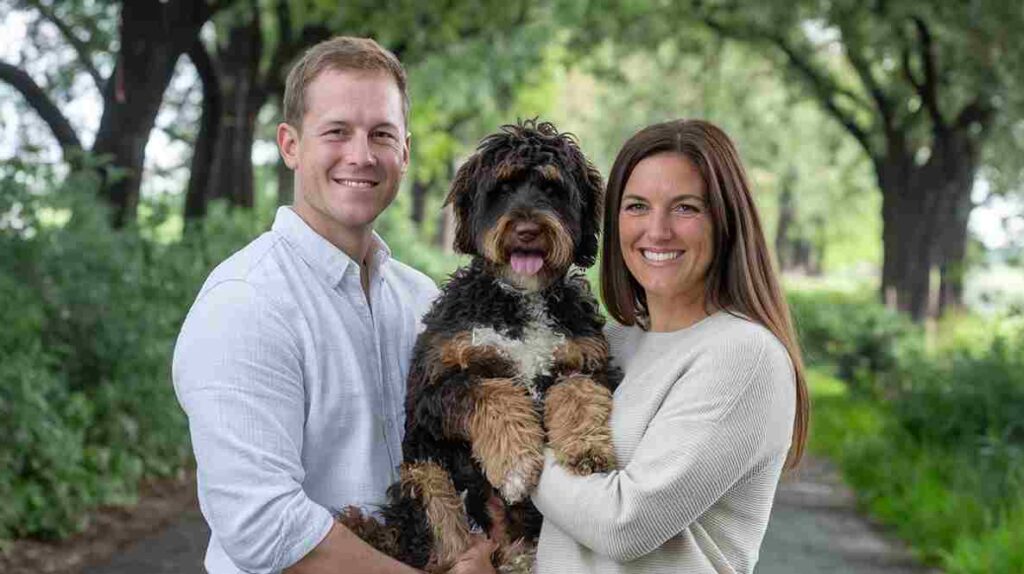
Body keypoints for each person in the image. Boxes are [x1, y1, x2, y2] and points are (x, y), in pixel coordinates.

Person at [172, 37, 495, 574]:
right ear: (290, 144)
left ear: (406, 152)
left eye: (381, 134)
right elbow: (263, 524)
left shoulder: (423, 301)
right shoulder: (244, 304)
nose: (361, 155)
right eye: (337, 131)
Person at [530, 119, 810, 573]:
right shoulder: (613, 343)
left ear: (726, 220)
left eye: (685, 208)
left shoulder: (744, 356)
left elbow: (624, 525)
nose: (656, 231)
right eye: (637, 206)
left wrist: (511, 450)